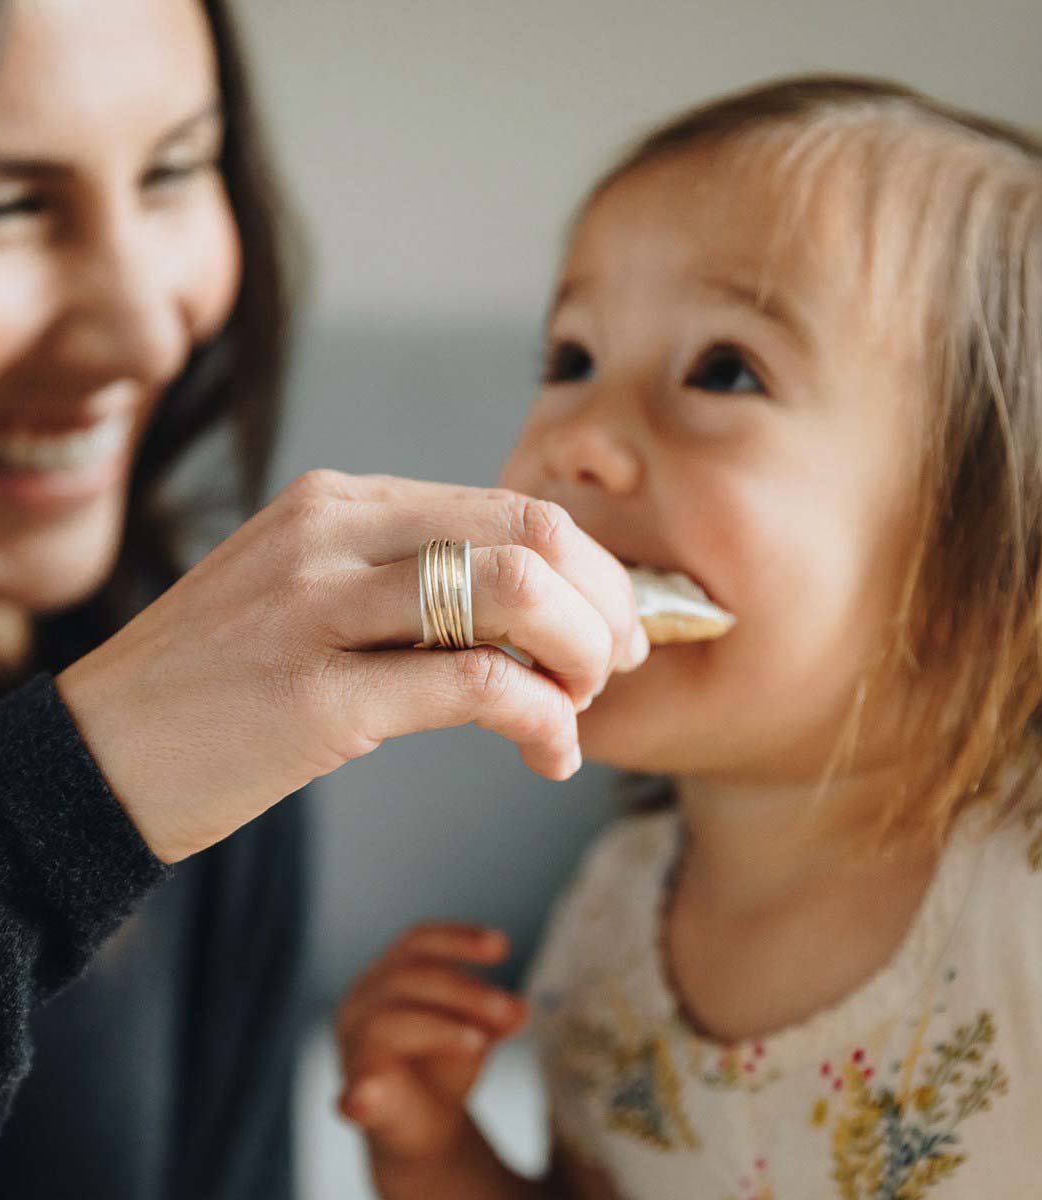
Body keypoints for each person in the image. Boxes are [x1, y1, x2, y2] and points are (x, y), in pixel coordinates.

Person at [0, 1, 648, 1197]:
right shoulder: (144, 732)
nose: (141, 327)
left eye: (176, 168)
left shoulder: (202, 703)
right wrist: (60, 803)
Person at [336, 76, 1042, 1199]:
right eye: (570, 358)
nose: (576, 441)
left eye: (725, 369)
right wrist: (434, 1154)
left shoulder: (1020, 911)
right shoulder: (611, 931)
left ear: (983, 571)